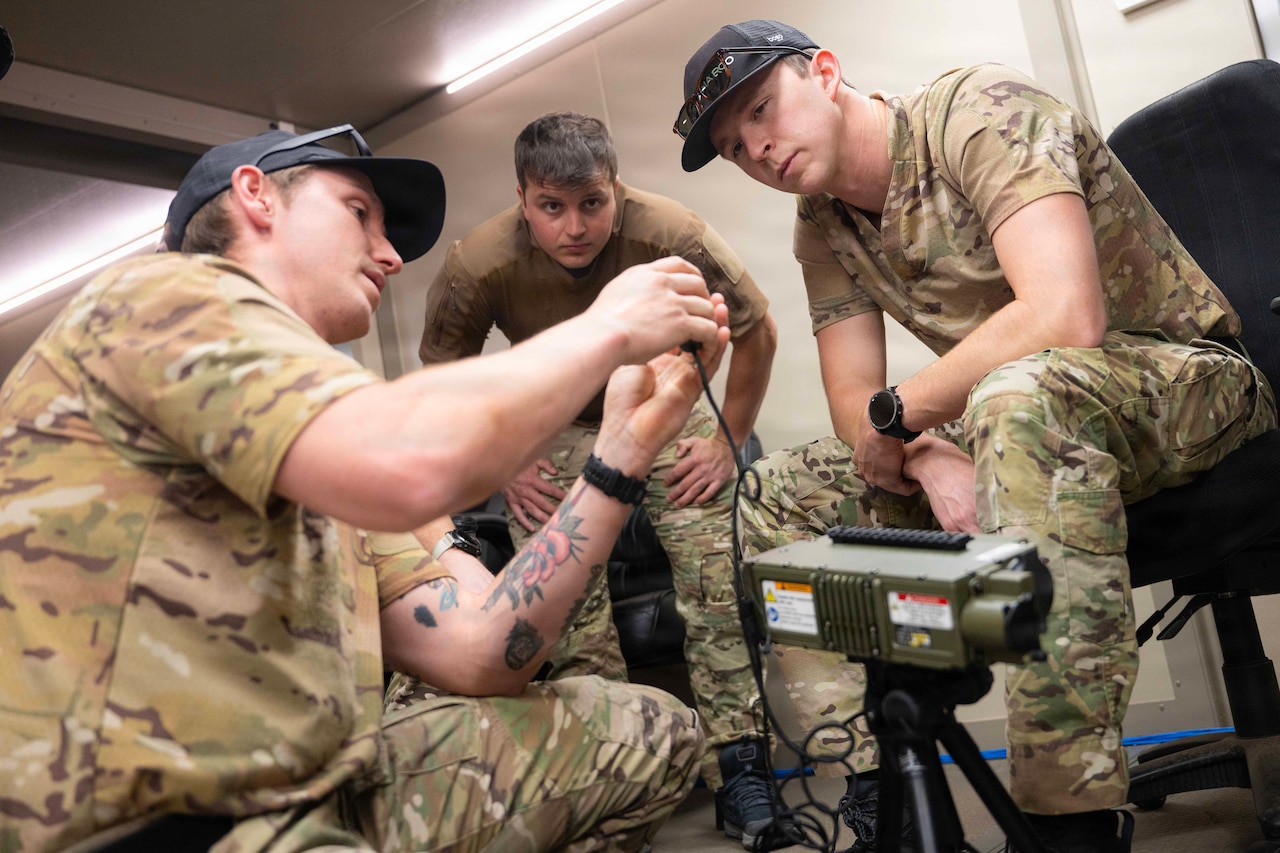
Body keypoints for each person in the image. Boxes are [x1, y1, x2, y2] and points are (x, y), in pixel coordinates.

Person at [0, 123, 730, 851]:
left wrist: (620, 453)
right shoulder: (159, 298)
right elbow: (412, 462)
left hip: (318, 795)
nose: (389, 255)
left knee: (648, 730)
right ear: (256, 196)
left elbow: (481, 651)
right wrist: (605, 328)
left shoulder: (313, 446)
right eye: (359, 213)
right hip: (165, 825)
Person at [672, 19, 1278, 853]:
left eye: (763, 110)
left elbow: (1066, 314)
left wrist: (904, 416)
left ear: (825, 70)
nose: (759, 148)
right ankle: (879, 782)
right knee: (780, 491)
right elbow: (856, 402)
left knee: (1012, 399)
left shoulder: (977, 112)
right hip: (1022, 414)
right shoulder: (823, 226)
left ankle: (1070, 816)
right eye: (737, 146)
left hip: (1185, 380)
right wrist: (921, 450)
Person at [412, 110, 791, 850]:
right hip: (553, 427)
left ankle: (740, 764)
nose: (575, 226)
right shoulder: (479, 260)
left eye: (592, 202)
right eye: (551, 207)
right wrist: (508, 459)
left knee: (716, 572)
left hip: (660, 401)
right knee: (564, 598)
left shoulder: (670, 231)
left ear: (615, 187)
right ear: (524, 200)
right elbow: (446, 368)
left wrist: (728, 439)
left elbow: (758, 331)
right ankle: (617, 767)